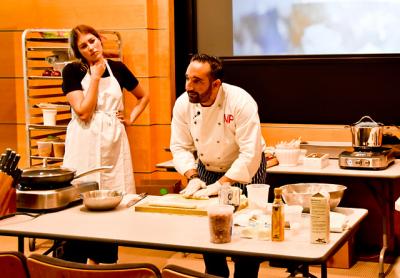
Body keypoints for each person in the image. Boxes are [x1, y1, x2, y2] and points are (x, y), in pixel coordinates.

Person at [170, 53, 267, 278]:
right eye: (187, 78)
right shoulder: (184, 103)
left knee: (245, 233)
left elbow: (250, 154)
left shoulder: (241, 101)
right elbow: (179, 146)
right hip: (206, 168)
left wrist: (221, 185)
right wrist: (193, 176)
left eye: (197, 81)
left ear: (215, 84)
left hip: (244, 169)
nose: (189, 86)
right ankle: (215, 274)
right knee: (211, 234)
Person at [60, 24, 149, 264]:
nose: (90, 47)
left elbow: (143, 96)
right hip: (84, 139)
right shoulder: (72, 71)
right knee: (82, 197)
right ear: (79, 51)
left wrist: (130, 118)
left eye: (92, 41)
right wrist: (96, 77)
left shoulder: (118, 68)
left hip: (113, 141)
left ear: (100, 39)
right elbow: (83, 111)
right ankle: (74, 262)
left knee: (112, 199)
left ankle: (104, 262)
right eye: (83, 46)